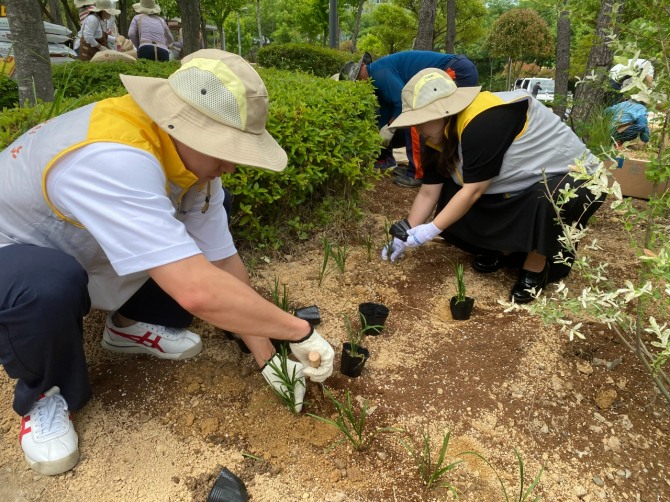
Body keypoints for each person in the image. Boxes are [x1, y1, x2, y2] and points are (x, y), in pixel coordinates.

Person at [0, 49, 334, 476]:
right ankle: (43, 394)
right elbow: (197, 289)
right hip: (13, 253)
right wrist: (299, 331)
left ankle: (125, 327)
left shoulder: (188, 168)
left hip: (74, 242)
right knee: (47, 284)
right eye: (225, 150)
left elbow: (222, 266)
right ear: (187, 129)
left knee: (189, 252)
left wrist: (268, 359)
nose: (230, 165)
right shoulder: (115, 157)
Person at [381, 68, 606, 304]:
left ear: (443, 112)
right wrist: (406, 232)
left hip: (574, 179)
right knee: (452, 191)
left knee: (549, 198)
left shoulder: (485, 121)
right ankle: (502, 251)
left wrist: (431, 229)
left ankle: (536, 267)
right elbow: (429, 191)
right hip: (521, 181)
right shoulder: (438, 135)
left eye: (420, 121)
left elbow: (474, 191)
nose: (416, 129)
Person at [339, 50, 479, 188]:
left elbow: (402, 104)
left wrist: (391, 128)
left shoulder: (378, 72)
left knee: (416, 122)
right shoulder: (377, 80)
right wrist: (381, 137)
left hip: (455, 70)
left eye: (356, 82)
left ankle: (417, 173)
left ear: (359, 74)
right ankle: (427, 168)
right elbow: (386, 111)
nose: (359, 85)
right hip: (458, 67)